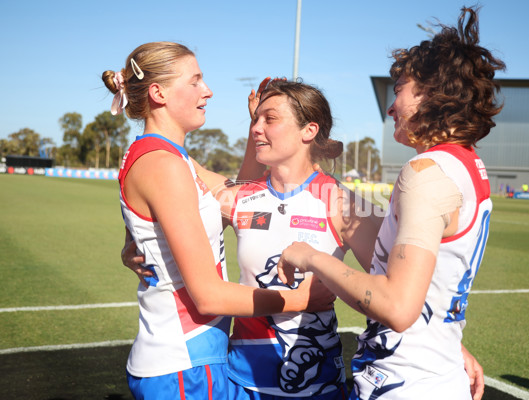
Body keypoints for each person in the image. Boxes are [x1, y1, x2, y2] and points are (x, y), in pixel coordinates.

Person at [123, 76, 484, 399]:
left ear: (308, 131)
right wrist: (131, 244)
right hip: (241, 382)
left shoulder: (343, 204)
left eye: (270, 120)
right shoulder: (239, 197)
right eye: (255, 120)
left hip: (316, 385)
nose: (256, 130)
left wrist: (449, 343)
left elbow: (401, 289)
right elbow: (159, 188)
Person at [277, 6, 502, 400]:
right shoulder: (466, 164)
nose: (391, 105)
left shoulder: (426, 171)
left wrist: (311, 257)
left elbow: (397, 307)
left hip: (406, 386)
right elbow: (419, 279)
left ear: (432, 92)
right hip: (434, 372)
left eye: (399, 90)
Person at [104, 42, 335, 400]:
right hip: (183, 364)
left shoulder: (162, 157)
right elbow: (209, 296)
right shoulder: (164, 166)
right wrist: (300, 299)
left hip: (189, 359)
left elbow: (239, 197)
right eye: (195, 81)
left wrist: (255, 130)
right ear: (158, 92)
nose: (207, 90)